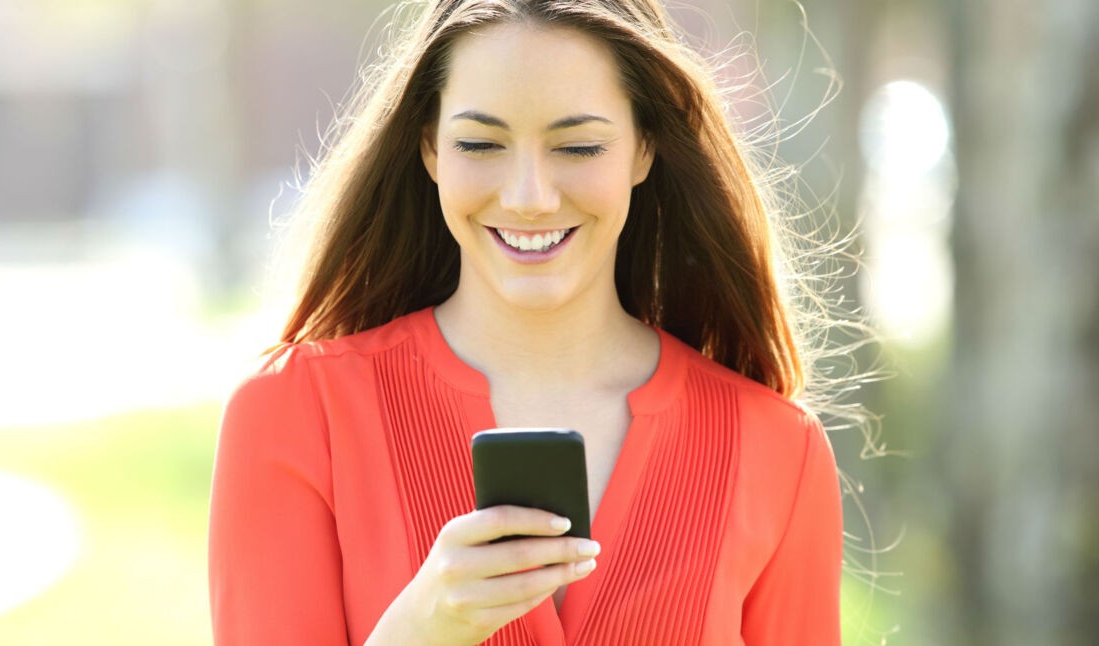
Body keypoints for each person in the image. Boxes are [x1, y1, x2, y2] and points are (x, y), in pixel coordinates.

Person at [208, 0, 845, 644]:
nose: (529, 197)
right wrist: (419, 629)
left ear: (644, 148)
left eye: (578, 146)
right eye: (480, 144)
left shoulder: (779, 451)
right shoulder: (293, 413)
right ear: (430, 148)